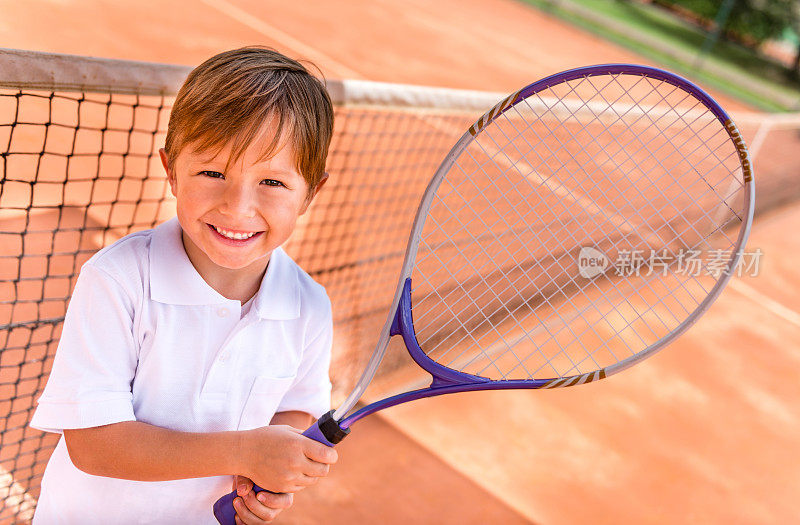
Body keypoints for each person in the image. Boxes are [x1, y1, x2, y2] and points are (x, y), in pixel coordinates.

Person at [30, 46, 338, 524]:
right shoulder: (117, 279)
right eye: (212, 173)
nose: (238, 208)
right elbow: (95, 444)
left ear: (310, 194)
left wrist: (268, 473)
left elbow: (296, 410)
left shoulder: (311, 308)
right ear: (171, 171)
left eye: (272, 183)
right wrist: (245, 452)